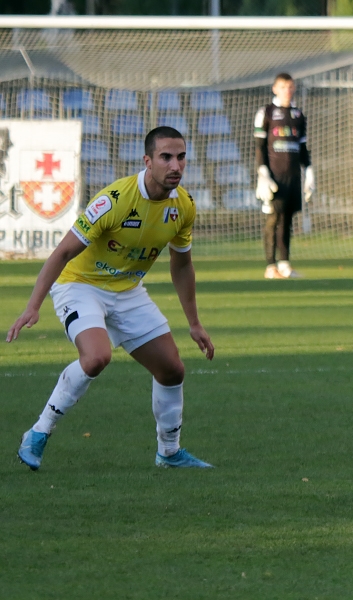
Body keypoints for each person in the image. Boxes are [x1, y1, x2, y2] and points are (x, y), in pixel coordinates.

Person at [7, 126, 215, 470]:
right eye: (165, 157)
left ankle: (169, 452)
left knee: (172, 369)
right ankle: (38, 432)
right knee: (96, 357)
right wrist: (33, 306)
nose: (175, 165)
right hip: (80, 285)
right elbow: (61, 255)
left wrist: (194, 323)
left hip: (128, 291)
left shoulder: (183, 207)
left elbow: (182, 265)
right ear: (147, 161)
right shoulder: (114, 201)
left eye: (181, 157)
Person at [254, 72, 314, 280]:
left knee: (287, 220)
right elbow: (260, 146)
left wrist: (309, 172)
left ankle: (285, 263)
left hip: (293, 176)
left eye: (290, 87)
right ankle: (270, 266)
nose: (287, 91)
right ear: (275, 89)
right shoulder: (266, 112)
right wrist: (263, 172)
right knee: (273, 218)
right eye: (283, 87)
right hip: (273, 177)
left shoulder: (298, 115)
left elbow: (303, 147)